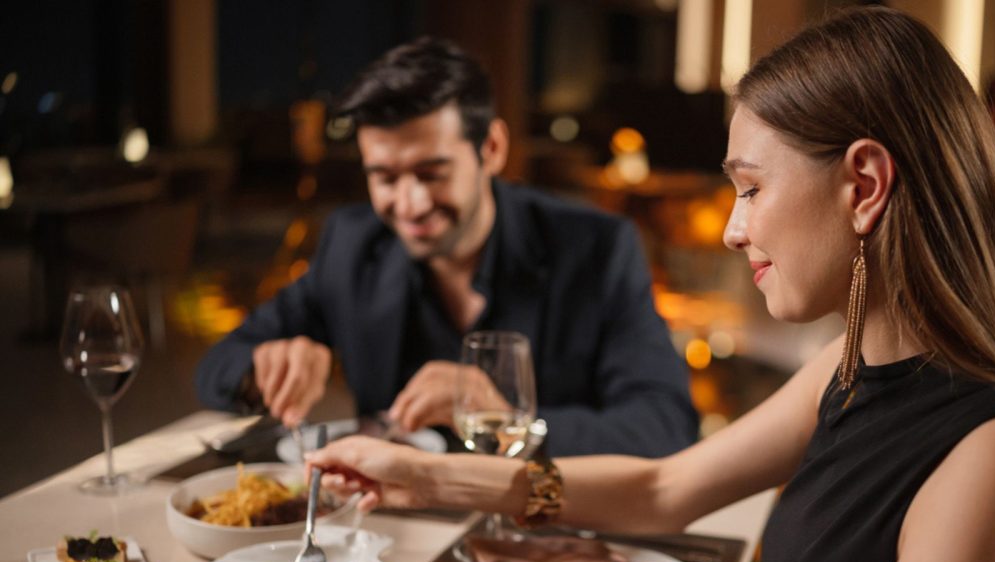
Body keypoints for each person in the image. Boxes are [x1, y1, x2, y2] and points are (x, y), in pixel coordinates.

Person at [307, 8, 995, 562]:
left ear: (864, 186)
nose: (730, 228)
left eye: (752, 187)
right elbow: (661, 489)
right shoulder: (851, 367)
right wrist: (431, 474)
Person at [194, 38, 697, 458]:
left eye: (432, 174)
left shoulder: (597, 250)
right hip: (391, 531)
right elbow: (216, 366)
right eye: (385, 178)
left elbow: (666, 426)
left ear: (492, 150)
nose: (409, 205)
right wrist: (265, 368)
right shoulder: (353, 244)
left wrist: (507, 422)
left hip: (544, 531)